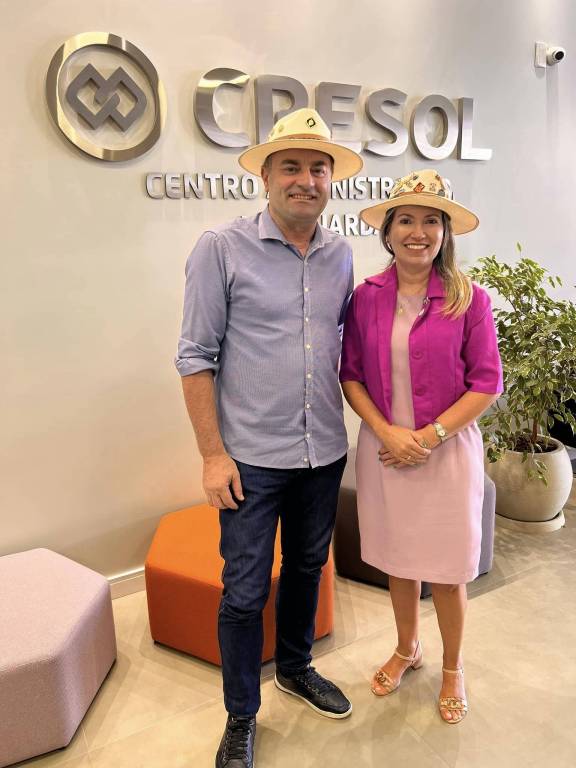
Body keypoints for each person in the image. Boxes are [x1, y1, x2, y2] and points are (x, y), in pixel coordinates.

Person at [176, 108, 363, 768]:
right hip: (250, 460)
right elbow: (194, 356)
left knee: (308, 569)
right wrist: (212, 454)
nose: (305, 179)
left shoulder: (342, 255)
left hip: (323, 452)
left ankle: (295, 667)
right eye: (291, 166)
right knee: (245, 591)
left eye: (318, 168)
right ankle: (241, 715)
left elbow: (343, 349)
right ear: (265, 176)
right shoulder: (221, 248)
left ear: (331, 179)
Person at [340, 169, 503, 724]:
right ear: (388, 231)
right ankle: (407, 648)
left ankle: (453, 667)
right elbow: (351, 375)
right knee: (400, 560)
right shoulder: (366, 298)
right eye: (405, 220)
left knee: (449, 571)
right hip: (386, 451)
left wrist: (430, 436)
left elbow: (486, 383)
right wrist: (387, 432)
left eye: (430, 220)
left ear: (444, 232)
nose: (418, 232)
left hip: (447, 453)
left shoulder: (469, 299)